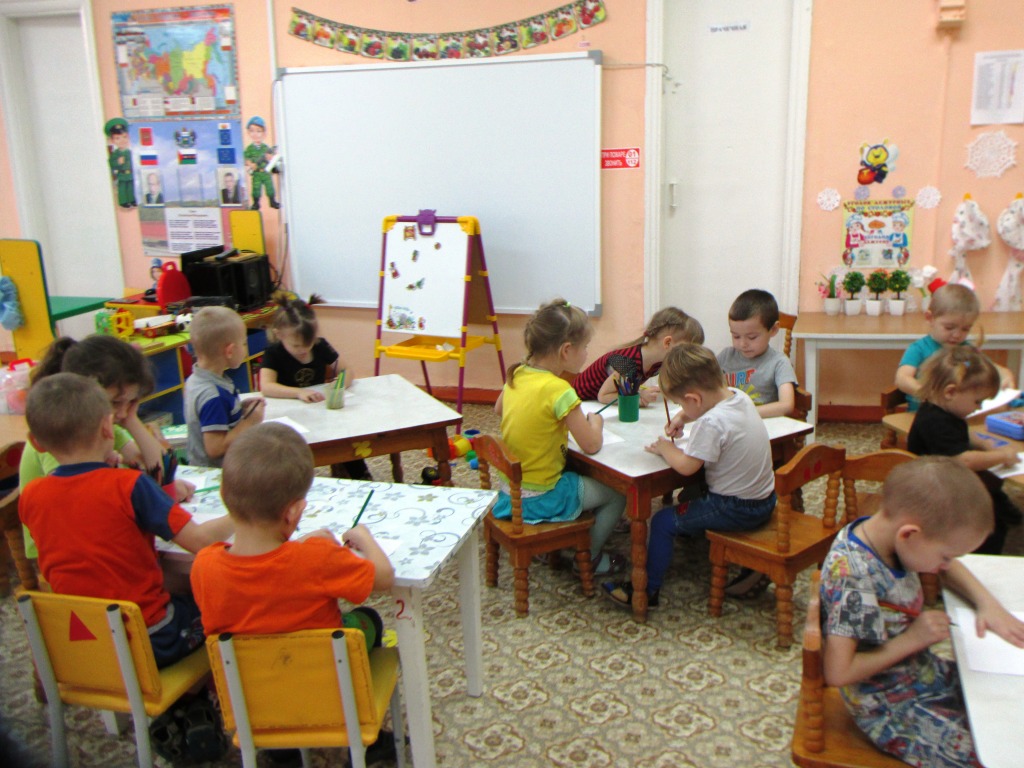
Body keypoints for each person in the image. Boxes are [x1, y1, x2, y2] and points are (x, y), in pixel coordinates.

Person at [190, 422, 396, 764]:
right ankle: (369, 745)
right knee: (368, 620)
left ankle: (282, 751)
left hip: (251, 701)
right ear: (293, 512)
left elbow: (263, 579)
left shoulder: (204, 565)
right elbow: (385, 577)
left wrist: (298, 546)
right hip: (324, 692)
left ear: (225, 495)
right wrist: (364, 537)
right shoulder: (317, 558)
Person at [820, 456, 1024, 768]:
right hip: (888, 705)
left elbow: (948, 567)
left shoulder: (887, 534)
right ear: (909, 535)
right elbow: (838, 672)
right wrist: (914, 639)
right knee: (993, 756)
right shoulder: (855, 578)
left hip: (920, 671)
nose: (946, 565)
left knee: (1003, 703)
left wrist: (988, 604)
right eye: (946, 556)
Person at [19, 373, 234, 668]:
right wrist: (241, 513)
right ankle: (214, 689)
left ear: (36, 442)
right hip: (151, 639)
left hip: (84, 647)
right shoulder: (129, 486)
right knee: (224, 599)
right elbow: (201, 542)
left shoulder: (31, 496)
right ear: (108, 427)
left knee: (177, 583)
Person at [602, 343, 775, 608]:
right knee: (692, 493)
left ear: (694, 399)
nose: (680, 408)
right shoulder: (738, 396)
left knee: (661, 521)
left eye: (681, 403)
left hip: (736, 508)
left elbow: (686, 466)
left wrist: (665, 448)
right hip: (766, 500)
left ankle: (646, 591)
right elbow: (706, 409)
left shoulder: (710, 423)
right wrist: (683, 417)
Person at [20, 335, 193, 558]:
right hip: (62, 553)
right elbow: (76, 505)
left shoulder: (105, 426)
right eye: (115, 403)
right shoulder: (60, 436)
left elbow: (159, 469)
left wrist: (131, 419)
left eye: (131, 402)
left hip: (95, 547)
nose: (121, 412)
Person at [493, 298, 627, 576]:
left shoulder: (518, 373)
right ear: (566, 350)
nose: (587, 354)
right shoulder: (560, 391)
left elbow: (498, 409)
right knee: (617, 494)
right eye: (585, 347)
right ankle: (589, 557)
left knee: (575, 470)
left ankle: (554, 543)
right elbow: (591, 445)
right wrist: (596, 423)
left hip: (510, 493)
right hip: (542, 497)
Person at [907, 346, 1022, 551]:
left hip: (944, 479)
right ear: (950, 392)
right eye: (978, 401)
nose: (979, 407)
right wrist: (1002, 455)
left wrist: (982, 442)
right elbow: (964, 460)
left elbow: (961, 433)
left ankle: (997, 505)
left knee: (992, 486)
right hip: (937, 490)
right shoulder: (936, 421)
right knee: (993, 529)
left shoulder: (942, 410)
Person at [258, 294, 371, 481]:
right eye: (296, 345)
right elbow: (266, 386)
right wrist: (299, 392)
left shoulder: (320, 346)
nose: (304, 350)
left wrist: (339, 384)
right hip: (290, 415)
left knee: (345, 435)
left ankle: (359, 474)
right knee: (290, 450)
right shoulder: (273, 352)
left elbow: (347, 371)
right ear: (279, 335)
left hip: (320, 410)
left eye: (308, 344)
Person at [895, 283, 1014, 412]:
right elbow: (902, 379)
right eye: (949, 327)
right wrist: (930, 394)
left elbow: (996, 369)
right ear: (930, 318)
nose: (957, 335)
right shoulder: (919, 349)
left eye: (965, 329)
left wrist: (1007, 378)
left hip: (958, 414)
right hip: (922, 415)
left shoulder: (968, 350)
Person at [184, 306, 265, 467]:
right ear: (230, 351)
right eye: (244, 343)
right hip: (218, 472)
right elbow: (215, 448)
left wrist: (238, 409)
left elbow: (209, 417)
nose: (245, 349)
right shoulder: (213, 395)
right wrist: (250, 422)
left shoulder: (196, 379)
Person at [572, 307, 703, 404]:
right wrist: (638, 397)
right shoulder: (628, 363)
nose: (688, 356)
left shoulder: (658, 364)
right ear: (667, 342)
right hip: (579, 402)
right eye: (688, 350)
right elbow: (604, 396)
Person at [717, 288, 797, 418]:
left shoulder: (779, 362)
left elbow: (786, 405)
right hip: (728, 422)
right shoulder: (725, 356)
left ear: (773, 330)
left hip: (762, 425)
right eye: (736, 336)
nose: (743, 344)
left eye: (752, 337)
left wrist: (742, 414)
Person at [244, 116, 279, 210]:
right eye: (252, 131)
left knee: (270, 187)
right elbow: (246, 159)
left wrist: (270, 157)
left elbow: (271, 157)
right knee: (256, 189)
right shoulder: (249, 149)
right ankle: (256, 203)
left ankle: (272, 201)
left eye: (259, 131)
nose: (255, 134)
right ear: (248, 132)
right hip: (257, 173)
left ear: (264, 133)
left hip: (266, 172)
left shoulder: (265, 147)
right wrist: (251, 165)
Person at [104, 117, 136, 208]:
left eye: (124, 137)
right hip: (122, 174)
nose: (122, 140)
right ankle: (123, 201)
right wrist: (118, 162)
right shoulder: (116, 154)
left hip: (131, 174)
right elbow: (111, 163)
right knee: (122, 188)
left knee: (131, 187)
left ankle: (132, 200)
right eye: (117, 138)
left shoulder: (130, 152)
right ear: (112, 140)